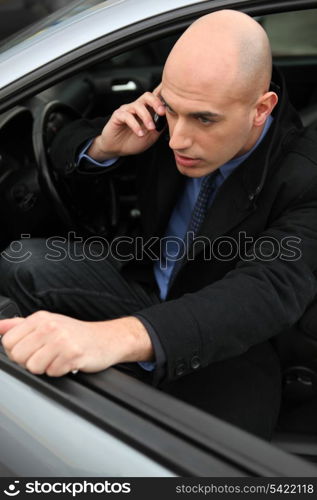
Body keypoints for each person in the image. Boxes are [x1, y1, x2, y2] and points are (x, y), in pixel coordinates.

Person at [1, 10, 317, 439]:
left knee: (202, 456)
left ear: (261, 109)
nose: (177, 140)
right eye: (171, 109)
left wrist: (113, 339)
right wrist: (104, 146)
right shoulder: (171, 114)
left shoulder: (303, 174)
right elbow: (65, 142)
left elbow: (268, 289)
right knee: (24, 260)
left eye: (204, 119)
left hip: (229, 341)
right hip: (148, 287)